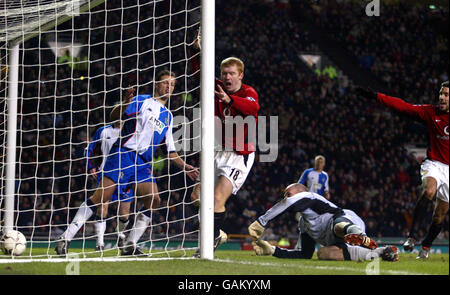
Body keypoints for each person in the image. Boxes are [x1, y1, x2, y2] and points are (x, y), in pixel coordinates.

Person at [55, 70, 199, 256]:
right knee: (100, 198)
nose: (169, 87)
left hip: (143, 163)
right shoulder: (141, 100)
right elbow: (115, 117)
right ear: (156, 84)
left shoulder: (168, 116)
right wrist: (125, 103)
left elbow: (170, 151)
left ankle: (129, 244)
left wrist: (184, 165)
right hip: (123, 154)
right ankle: (65, 238)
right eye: (165, 83)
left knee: (154, 199)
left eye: (172, 85)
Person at [354, 81, 449, 259]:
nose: (442, 97)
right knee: (429, 191)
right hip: (434, 164)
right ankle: (412, 237)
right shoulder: (430, 112)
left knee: (439, 217)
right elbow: (403, 106)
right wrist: (376, 96)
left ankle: (426, 246)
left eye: (446, 95)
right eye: (441, 93)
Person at [248, 183, 399, 262]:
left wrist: (262, 221)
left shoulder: (311, 197)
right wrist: (274, 250)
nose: (285, 197)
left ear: (301, 191)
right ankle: (382, 252)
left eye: (288, 193)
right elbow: (304, 254)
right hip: (338, 241)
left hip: (345, 218)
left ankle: (357, 234)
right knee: (323, 253)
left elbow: (289, 203)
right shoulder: (303, 223)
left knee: (338, 225)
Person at [84, 120, 133, 251]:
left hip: (126, 175)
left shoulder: (132, 129)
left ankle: (120, 235)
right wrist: (91, 167)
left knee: (124, 214)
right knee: (102, 206)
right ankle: (99, 244)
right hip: (106, 172)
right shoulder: (103, 130)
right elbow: (89, 149)